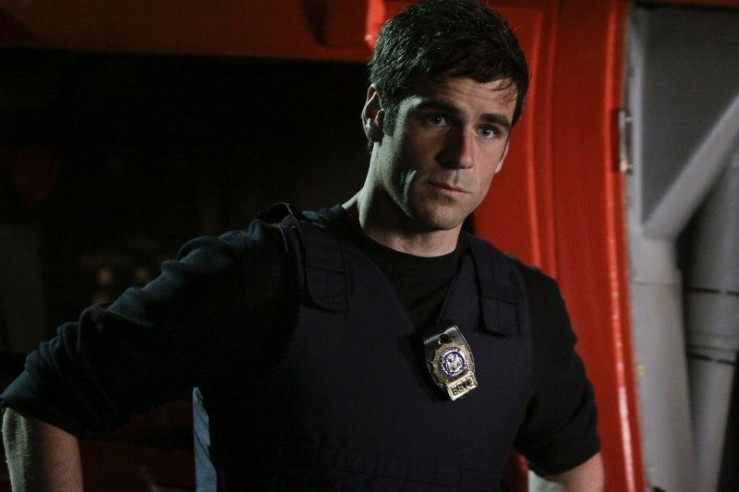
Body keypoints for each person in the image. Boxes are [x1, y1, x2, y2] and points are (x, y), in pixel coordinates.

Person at [1, 0, 604, 490]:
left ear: (504, 150)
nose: (462, 156)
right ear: (377, 113)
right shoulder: (258, 274)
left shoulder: (526, 307)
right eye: (437, 118)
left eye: (489, 129)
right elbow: (43, 399)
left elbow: (571, 468)